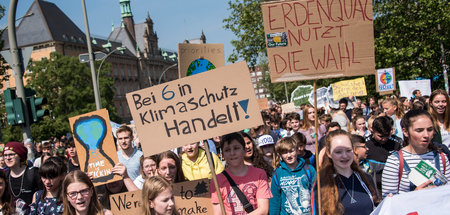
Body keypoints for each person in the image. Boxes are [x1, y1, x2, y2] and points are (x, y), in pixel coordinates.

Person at [382, 109, 450, 197]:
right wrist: (414, 196)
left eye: (430, 129)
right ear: (405, 132)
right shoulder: (395, 161)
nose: (426, 135)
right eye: (419, 130)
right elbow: (387, 202)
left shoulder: (442, 158)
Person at [317, 130, 378, 215]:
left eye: (348, 150)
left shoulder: (366, 178)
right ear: (329, 153)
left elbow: (377, 207)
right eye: (338, 152)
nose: (344, 156)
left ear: (353, 150)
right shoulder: (322, 184)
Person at [210, 132, 271, 214]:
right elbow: (218, 213)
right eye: (227, 150)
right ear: (223, 154)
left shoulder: (259, 174)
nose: (232, 153)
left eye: (236, 148)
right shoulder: (217, 181)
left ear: (244, 150)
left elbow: (263, 210)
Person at [270, 136, 316, 214]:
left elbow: (316, 194)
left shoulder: (309, 170)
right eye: (285, 153)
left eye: (291, 151)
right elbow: (275, 201)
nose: (289, 155)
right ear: (280, 154)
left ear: (297, 151)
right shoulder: (277, 174)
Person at [365, 116, 402, 194]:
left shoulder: (397, 143)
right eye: (380, 136)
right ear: (372, 131)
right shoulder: (365, 144)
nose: (384, 139)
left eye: (387, 135)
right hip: (373, 187)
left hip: (392, 186)